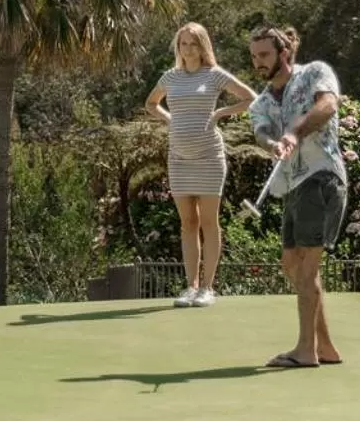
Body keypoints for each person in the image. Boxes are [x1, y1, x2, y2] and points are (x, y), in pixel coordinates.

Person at [246, 25, 345, 368]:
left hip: (321, 176)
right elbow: (260, 131)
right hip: (293, 186)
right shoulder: (261, 101)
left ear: (284, 53)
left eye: (265, 55)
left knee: (306, 267)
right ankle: (326, 347)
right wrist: (274, 143)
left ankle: (306, 351)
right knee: (291, 264)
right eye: (254, 56)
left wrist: (295, 130)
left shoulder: (315, 73)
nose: (258, 62)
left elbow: (328, 106)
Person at [146, 23, 256, 308]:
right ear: (178, 47)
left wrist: (221, 112)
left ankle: (207, 288)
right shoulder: (170, 77)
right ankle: (190, 287)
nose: (188, 49)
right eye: (183, 44)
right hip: (179, 158)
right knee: (187, 223)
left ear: (203, 46)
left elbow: (250, 98)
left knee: (209, 222)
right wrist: (171, 120)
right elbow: (151, 103)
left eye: (194, 44)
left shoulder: (214, 75)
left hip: (209, 156)